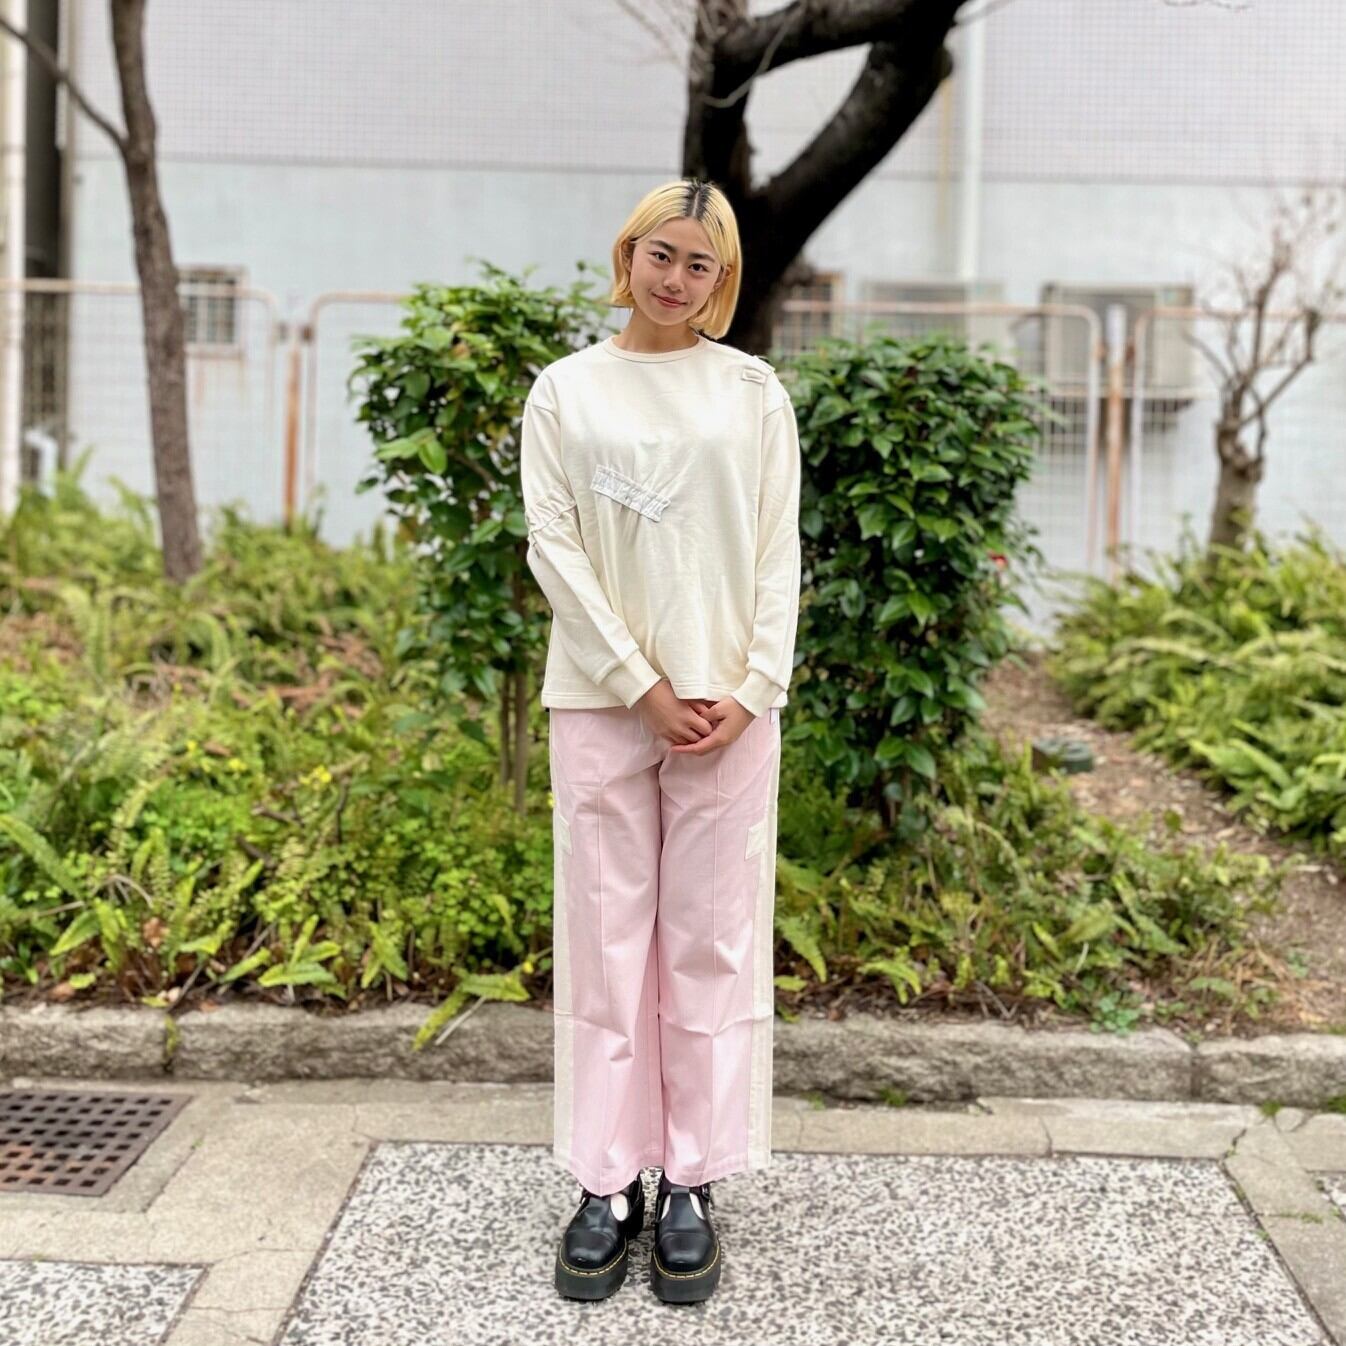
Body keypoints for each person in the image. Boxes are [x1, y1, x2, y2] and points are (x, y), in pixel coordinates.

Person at [519, 176, 802, 1304]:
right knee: (604, 942)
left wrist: (755, 684)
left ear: (721, 279)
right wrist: (637, 683)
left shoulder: (753, 393)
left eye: (701, 264)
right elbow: (553, 546)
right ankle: (604, 1180)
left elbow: (777, 549)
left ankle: (689, 1179)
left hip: (729, 707)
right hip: (604, 702)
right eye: (661, 254)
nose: (676, 278)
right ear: (627, 253)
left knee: (708, 944)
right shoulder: (566, 390)